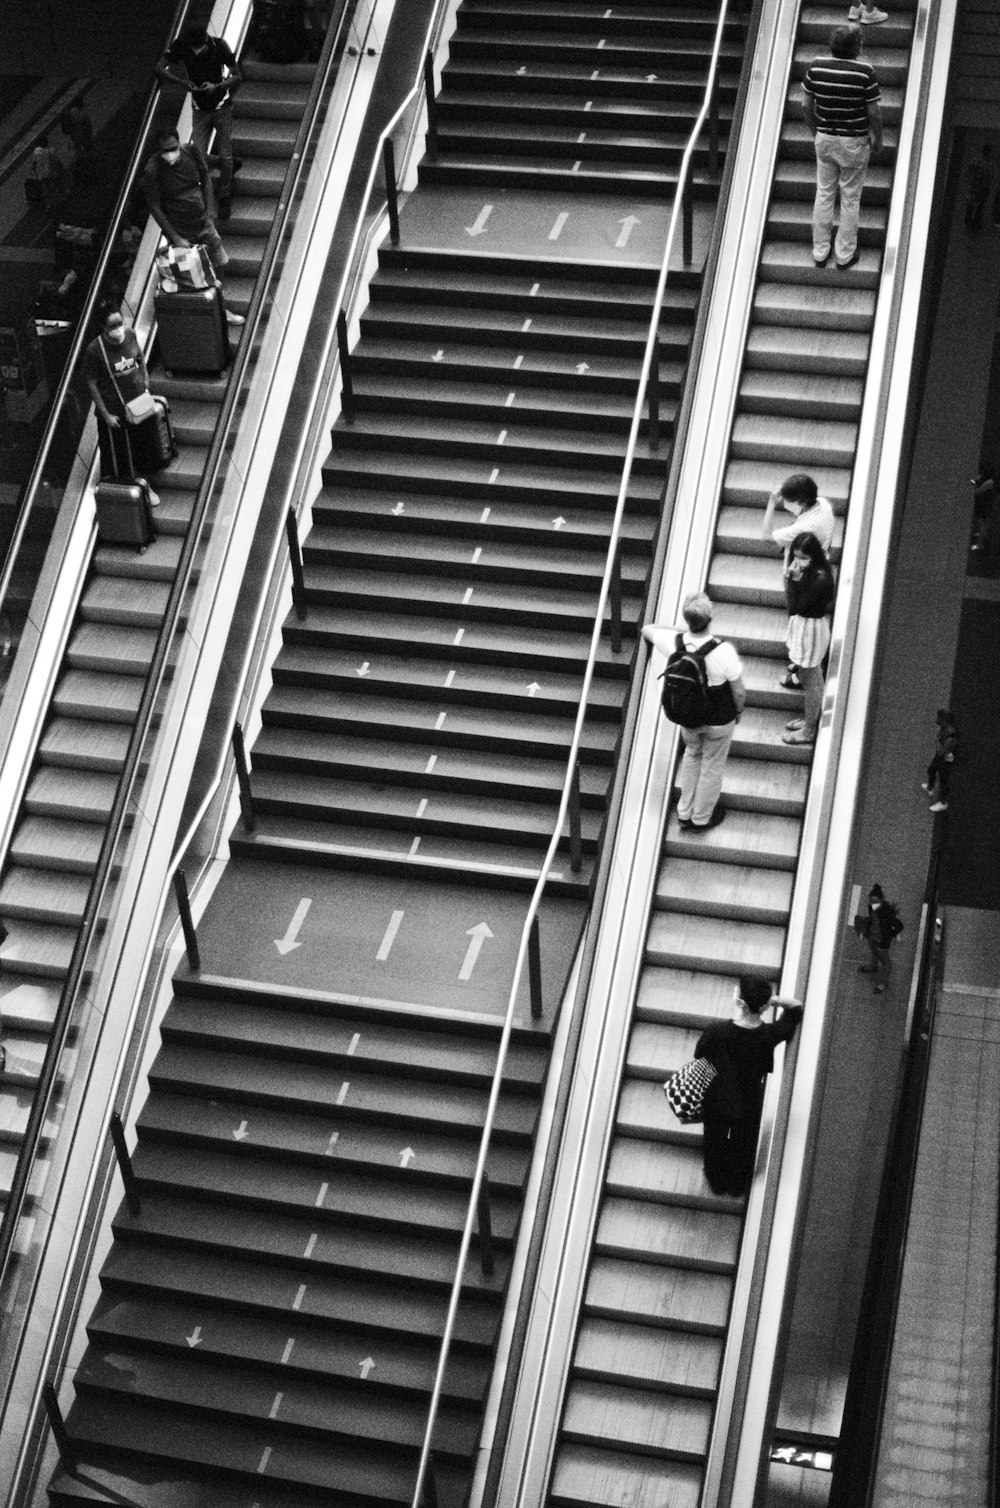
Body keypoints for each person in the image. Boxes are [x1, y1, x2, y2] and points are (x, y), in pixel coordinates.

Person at [643, 592, 746, 830]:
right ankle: (701, 818)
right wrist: (738, 712)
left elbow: (647, 628)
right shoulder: (723, 651)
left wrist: (681, 628)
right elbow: (739, 691)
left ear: (686, 617)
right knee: (712, 766)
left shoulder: (673, 643)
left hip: (688, 718)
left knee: (691, 756)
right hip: (719, 719)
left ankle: (684, 812)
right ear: (710, 617)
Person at [695, 977, 803, 1197]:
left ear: (740, 1003)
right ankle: (737, 1184)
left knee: (714, 1139)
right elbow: (796, 1008)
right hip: (748, 1099)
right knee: (744, 1141)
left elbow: (699, 1055)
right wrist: (771, 1000)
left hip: (717, 1098)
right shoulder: (770, 1034)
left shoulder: (716, 1032)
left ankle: (716, 1179)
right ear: (764, 1007)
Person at [802, 24, 883, 271]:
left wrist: (816, 132)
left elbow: (806, 106)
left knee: (824, 194)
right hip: (854, 142)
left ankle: (820, 252)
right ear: (856, 47)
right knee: (850, 198)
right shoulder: (865, 73)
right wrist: (877, 137)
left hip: (825, 138)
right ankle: (845, 255)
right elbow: (874, 112)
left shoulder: (816, 66)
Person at [156, 21, 242, 220]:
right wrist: (182, 83)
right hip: (199, 108)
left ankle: (225, 194)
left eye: (199, 48)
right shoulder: (181, 45)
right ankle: (217, 176)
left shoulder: (220, 46)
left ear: (206, 40)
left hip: (221, 105)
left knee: (226, 155)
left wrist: (218, 86)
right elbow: (160, 68)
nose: (195, 52)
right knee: (199, 155)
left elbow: (237, 75)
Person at [761, 473, 836, 690]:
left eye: (788, 500)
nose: (784, 502)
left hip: (802, 577)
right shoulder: (823, 505)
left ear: (801, 502)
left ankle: (800, 667)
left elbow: (765, 535)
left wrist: (771, 504)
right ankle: (799, 660)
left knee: (797, 616)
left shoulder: (802, 529)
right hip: (818, 563)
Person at [141, 128, 229, 276]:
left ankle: (217, 293)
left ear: (178, 143)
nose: (169, 154)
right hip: (180, 230)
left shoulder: (191, 152)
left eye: (173, 148)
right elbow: (154, 206)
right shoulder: (153, 170)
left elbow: (205, 177)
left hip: (203, 222)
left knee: (220, 262)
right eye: (165, 150)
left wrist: (210, 210)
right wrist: (175, 237)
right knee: (190, 274)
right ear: (158, 149)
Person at [83, 304, 154, 481]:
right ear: (104, 328)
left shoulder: (130, 335)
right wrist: (106, 415)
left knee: (142, 446)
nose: (118, 329)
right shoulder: (95, 350)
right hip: (116, 411)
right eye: (113, 326)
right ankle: (131, 484)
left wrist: (145, 381)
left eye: (120, 323)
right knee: (122, 454)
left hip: (137, 404)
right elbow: (91, 383)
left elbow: (139, 358)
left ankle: (145, 481)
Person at [781, 532, 835, 746]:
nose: (798, 561)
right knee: (808, 677)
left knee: (812, 681)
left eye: (802, 557)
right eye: (796, 556)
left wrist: (792, 580)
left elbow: (795, 607)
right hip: (806, 629)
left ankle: (809, 730)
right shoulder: (814, 572)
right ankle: (809, 721)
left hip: (810, 633)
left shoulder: (819, 578)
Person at [858, 884, 903, 994]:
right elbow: (871, 920)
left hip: (883, 939)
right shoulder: (871, 907)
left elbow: (899, 926)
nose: (872, 903)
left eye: (875, 901)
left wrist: (891, 934)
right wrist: (865, 931)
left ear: (881, 900)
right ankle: (873, 966)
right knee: (874, 952)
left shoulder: (886, 911)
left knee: (885, 961)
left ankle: (883, 983)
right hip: (873, 936)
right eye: (871, 900)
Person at [921, 709, 960, 813]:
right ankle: (931, 787)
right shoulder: (944, 728)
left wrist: (937, 740)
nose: (937, 720)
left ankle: (943, 803)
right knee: (931, 770)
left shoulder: (951, 735)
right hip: (940, 757)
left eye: (939, 718)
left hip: (946, 760)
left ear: (944, 720)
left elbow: (941, 751)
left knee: (943, 780)